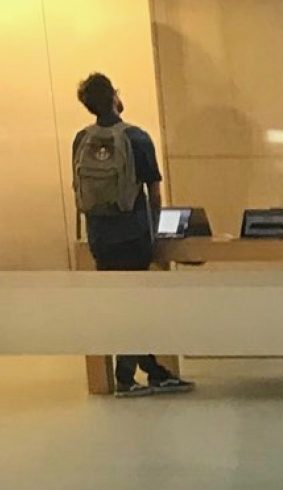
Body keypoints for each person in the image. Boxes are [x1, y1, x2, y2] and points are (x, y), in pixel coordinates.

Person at [73, 73, 192, 398]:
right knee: (137, 306)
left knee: (120, 305)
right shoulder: (137, 138)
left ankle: (150, 371)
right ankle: (132, 375)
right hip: (132, 233)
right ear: (115, 96)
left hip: (99, 236)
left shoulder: (80, 139)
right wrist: (155, 231)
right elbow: (153, 192)